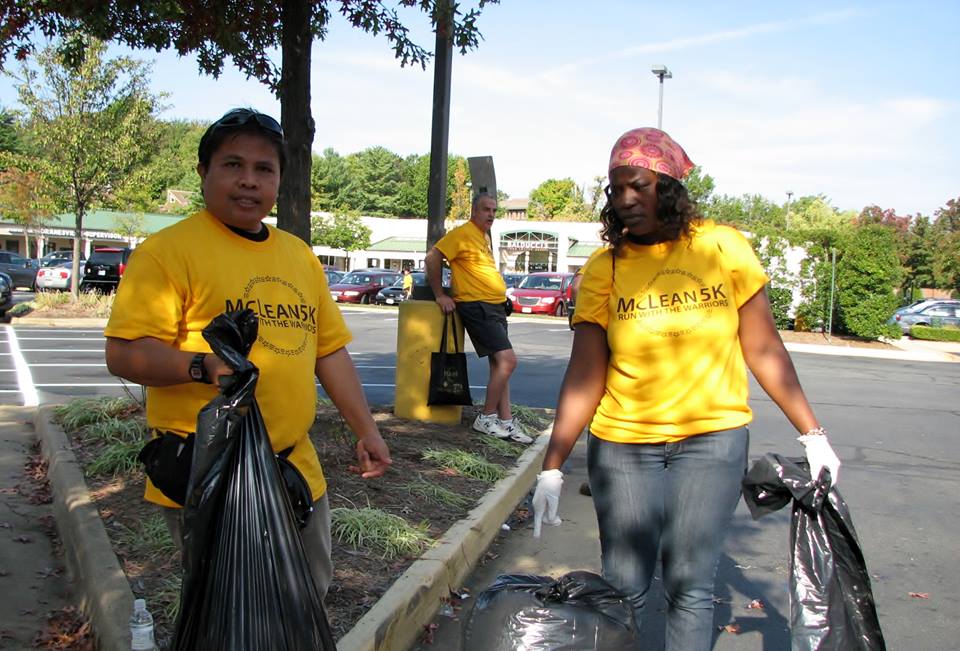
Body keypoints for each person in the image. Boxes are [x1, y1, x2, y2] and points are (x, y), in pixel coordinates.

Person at [532, 127, 840, 649]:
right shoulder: (606, 268)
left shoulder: (723, 248)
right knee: (624, 585)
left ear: (669, 189)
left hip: (712, 440)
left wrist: (812, 434)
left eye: (639, 186)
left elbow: (763, 348)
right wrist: (553, 465)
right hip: (624, 443)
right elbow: (586, 373)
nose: (626, 199)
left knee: (690, 585)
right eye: (616, 189)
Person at [103, 107, 392, 601]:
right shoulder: (167, 252)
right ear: (204, 172)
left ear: (280, 179)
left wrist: (366, 430)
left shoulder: (298, 256)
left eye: (264, 170)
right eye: (232, 165)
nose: (248, 181)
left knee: (305, 599)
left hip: (294, 468)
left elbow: (329, 353)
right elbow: (124, 354)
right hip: (210, 473)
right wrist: (202, 365)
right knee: (232, 614)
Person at [425, 193, 532, 444]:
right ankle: (485, 418)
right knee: (508, 361)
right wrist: (440, 294)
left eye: (494, 210)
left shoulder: (483, 237)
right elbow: (433, 257)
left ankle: (505, 421)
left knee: (500, 366)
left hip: (494, 307)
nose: (491, 214)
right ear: (474, 210)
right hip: (476, 306)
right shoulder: (462, 233)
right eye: (486, 209)